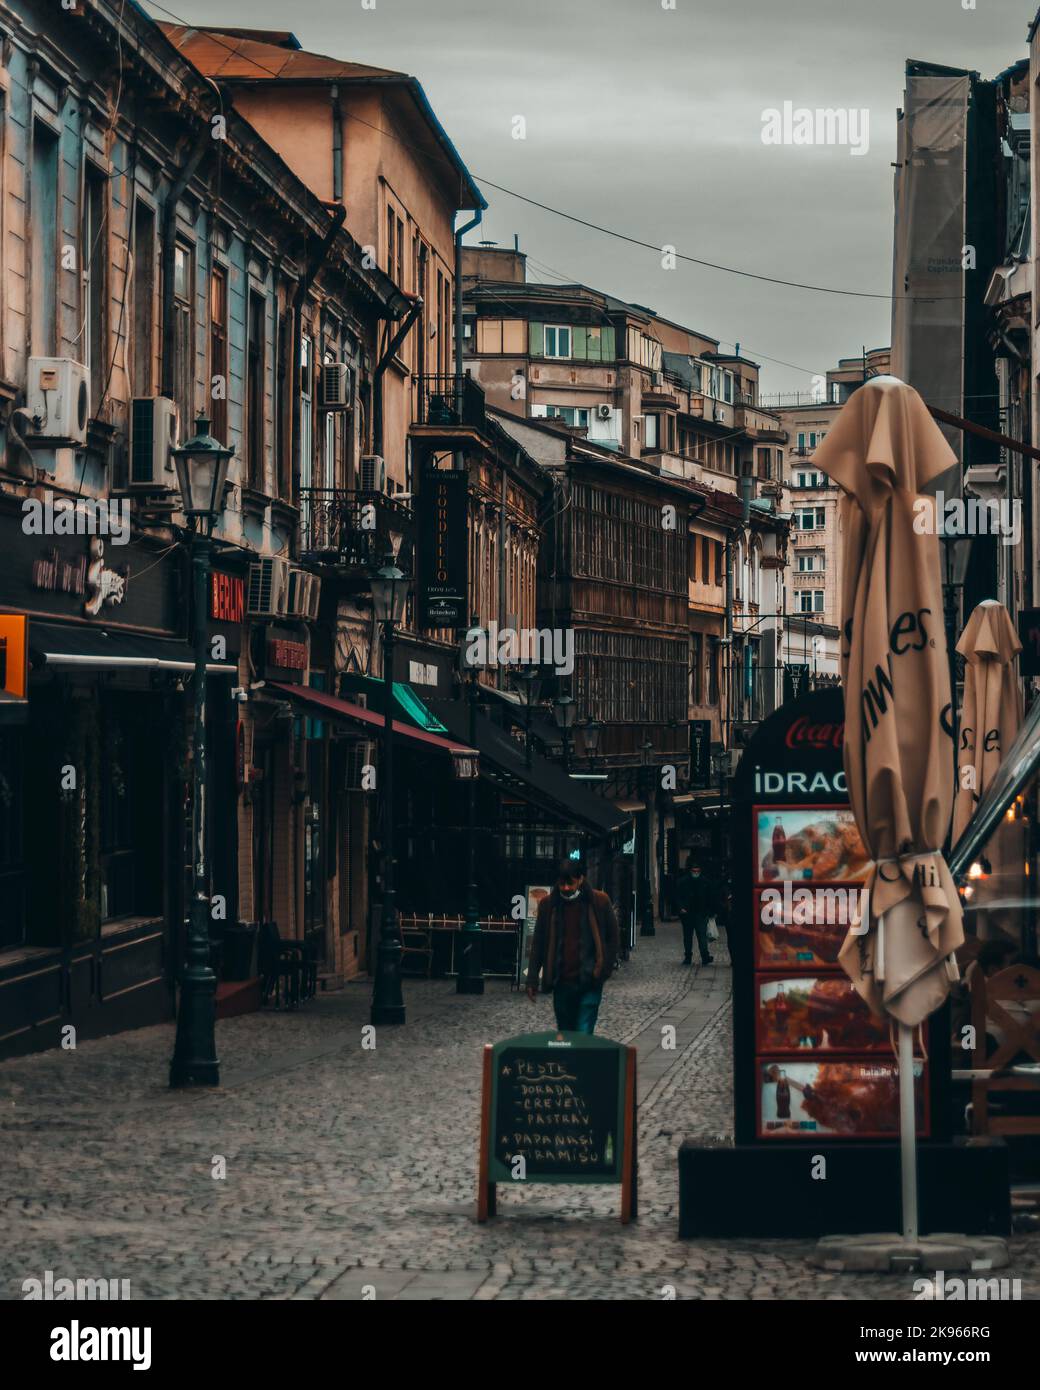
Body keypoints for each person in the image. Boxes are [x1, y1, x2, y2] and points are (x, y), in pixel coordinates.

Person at [525, 855, 620, 1034]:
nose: (566, 888)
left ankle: (582, 1061)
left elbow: (613, 939)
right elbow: (538, 942)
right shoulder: (549, 905)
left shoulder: (599, 901)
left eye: (571, 883)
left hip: (590, 981)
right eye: (562, 884)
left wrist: (603, 971)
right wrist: (532, 980)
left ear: (581, 879)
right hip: (562, 982)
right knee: (566, 1034)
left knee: (584, 1032)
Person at [673, 854, 718, 966]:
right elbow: (677, 896)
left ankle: (703, 956)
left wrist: (709, 912)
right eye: (694, 870)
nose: (696, 872)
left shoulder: (704, 882)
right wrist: (681, 908)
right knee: (690, 937)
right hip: (688, 913)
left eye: (697, 870)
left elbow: (710, 898)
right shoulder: (685, 882)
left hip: (700, 913)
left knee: (701, 936)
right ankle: (691, 956)